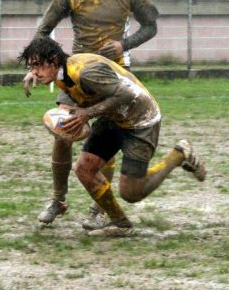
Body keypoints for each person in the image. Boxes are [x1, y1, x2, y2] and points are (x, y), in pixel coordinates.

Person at [24, 0, 159, 229]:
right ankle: (58, 200)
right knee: (62, 132)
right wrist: (36, 65)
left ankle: (99, 206)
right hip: (76, 73)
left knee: (100, 141)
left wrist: (124, 44)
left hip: (113, 75)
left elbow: (151, 25)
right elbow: (43, 31)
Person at [19, 37, 206, 237]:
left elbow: (126, 94)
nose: (35, 71)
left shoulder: (85, 71)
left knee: (131, 193)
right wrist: (34, 72)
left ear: (54, 59)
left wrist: (87, 114)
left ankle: (178, 155)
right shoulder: (59, 72)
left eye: (37, 65)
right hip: (113, 118)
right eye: (32, 67)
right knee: (84, 169)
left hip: (140, 121)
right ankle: (122, 224)